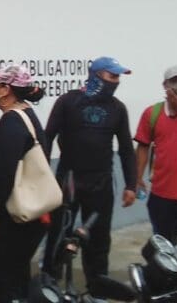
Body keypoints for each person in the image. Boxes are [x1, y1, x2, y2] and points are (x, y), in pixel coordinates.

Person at [41, 57, 136, 294]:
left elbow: (125, 148)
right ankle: (49, 283)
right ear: (96, 75)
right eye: (112, 76)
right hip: (69, 180)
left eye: (118, 77)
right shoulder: (68, 102)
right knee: (58, 234)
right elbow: (47, 138)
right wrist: (40, 178)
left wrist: (131, 185)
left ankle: (98, 289)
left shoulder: (118, 108)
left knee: (98, 240)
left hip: (101, 183)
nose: (116, 82)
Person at [0, 64, 48, 303]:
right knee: (16, 276)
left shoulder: (13, 122)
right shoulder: (23, 115)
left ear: (6, 90)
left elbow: (5, 172)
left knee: (3, 281)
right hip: (20, 217)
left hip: (12, 219)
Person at [135, 65, 177, 241]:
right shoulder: (152, 113)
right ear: (165, 85)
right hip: (162, 195)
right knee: (164, 245)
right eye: (174, 81)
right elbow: (143, 146)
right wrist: (138, 178)